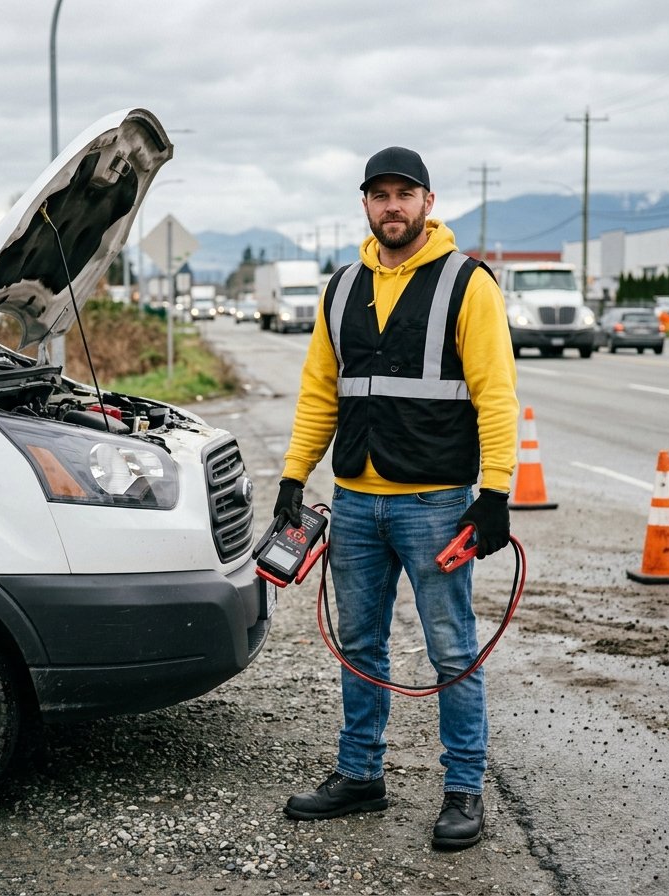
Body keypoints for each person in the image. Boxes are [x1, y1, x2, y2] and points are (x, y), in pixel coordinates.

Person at [275, 146, 519, 850]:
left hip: (436, 504)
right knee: (359, 645)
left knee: (451, 651)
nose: (392, 206)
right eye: (379, 194)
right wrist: (295, 475)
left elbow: (496, 395)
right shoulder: (342, 286)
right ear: (365, 205)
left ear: (427, 203)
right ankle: (360, 777)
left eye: (404, 194)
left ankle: (464, 790)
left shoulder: (466, 283)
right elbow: (321, 389)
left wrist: (494, 494)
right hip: (354, 501)